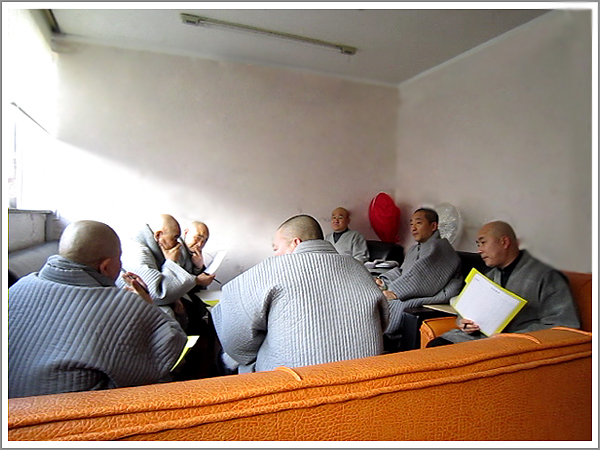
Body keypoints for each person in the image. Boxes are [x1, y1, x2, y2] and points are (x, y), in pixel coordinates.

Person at [8, 220, 187, 399]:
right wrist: (147, 305)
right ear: (106, 267)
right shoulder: (123, 305)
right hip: (73, 411)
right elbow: (173, 345)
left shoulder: (17, 287)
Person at [212, 214, 389, 373]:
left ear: (296, 243)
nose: (275, 254)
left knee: (227, 359)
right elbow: (384, 320)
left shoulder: (270, 269)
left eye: (276, 248)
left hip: (293, 386)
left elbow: (234, 337)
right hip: (364, 380)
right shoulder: (358, 268)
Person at [428, 221, 580, 347]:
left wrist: (513, 337)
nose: (479, 250)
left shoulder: (545, 276)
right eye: (478, 244)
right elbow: (465, 313)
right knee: (436, 346)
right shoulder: (488, 277)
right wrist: (465, 323)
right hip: (480, 337)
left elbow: (564, 325)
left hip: (517, 344)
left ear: (504, 242)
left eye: (483, 243)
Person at [376, 208, 463, 351]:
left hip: (436, 294)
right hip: (414, 290)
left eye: (418, 223)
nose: (413, 228)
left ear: (433, 226)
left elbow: (424, 279)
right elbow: (404, 272)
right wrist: (384, 281)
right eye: (411, 224)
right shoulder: (413, 250)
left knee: (394, 304)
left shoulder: (441, 248)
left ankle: (384, 340)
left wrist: (395, 292)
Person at [120, 214, 214, 329]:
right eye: (174, 238)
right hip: (133, 306)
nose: (177, 243)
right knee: (170, 314)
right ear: (158, 235)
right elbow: (158, 294)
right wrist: (171, 262)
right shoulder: (137, 251)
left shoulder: (161, 246)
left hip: (158, 301)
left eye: (204, 240)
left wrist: (198, 267)